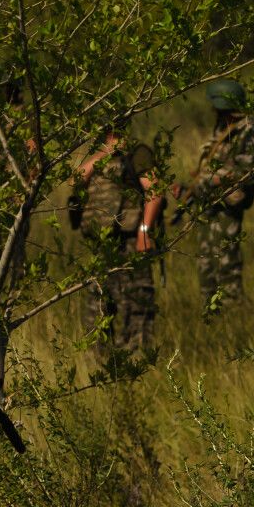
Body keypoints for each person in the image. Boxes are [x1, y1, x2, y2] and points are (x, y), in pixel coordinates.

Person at [70, 121, 162, 351]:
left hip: (130, 239)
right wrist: (105, 153)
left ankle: (136, 352)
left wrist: (144, 231)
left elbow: (155, 191)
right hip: (102, 242)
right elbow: (76, 180)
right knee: (99, 300)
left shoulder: (138, 153)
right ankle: (99, 357)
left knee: (137, 299)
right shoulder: (98, 155)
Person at [183, 80, 254, 308]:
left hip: (229, 201)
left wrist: (214, 177)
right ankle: (209, 304)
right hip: (209, 201)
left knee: (226, 255)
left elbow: (248, 171)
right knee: (206, 256)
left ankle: (232, 303)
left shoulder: (249, 131)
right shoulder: (224, 127)